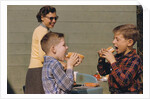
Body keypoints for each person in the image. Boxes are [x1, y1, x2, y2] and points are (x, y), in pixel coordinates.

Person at [97, 24, 143, 94]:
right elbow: (103, 72)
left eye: (117, 39)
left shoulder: (135, 59)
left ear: (129, 42)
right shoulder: (117, 57)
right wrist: (101, 59)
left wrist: (112, 61)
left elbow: (124, 82)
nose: (113, 42)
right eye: (114, 39)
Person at [25, 6, 59, 94]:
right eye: (51, 18)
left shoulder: (44, 30)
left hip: (38, 70)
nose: (54, 21)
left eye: (55, 18)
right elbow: (42, 56)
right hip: (38, 71)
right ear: (42, 17)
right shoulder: (42, 31)